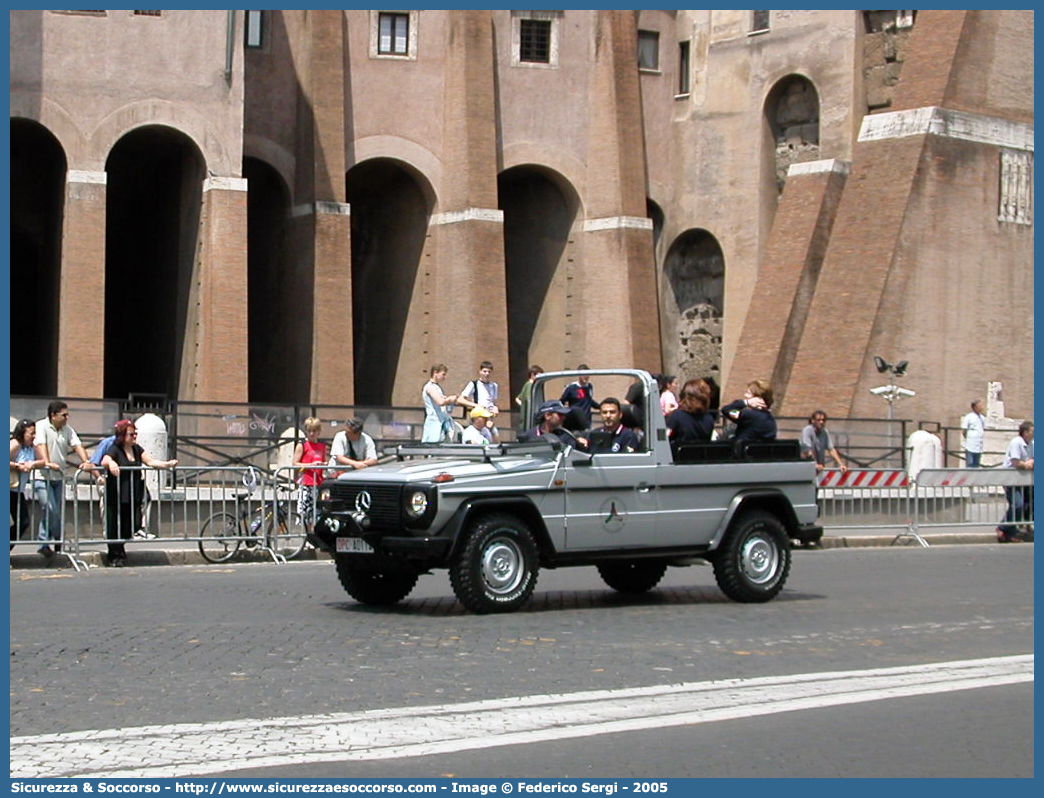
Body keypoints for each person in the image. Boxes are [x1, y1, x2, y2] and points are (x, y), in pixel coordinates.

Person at [100, 419, 177, 567]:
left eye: (135, 434)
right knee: (114, 525)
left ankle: (120, 549)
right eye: (131, 434)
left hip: (132, 492)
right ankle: (115, 555)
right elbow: (105, 460)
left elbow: (150, 461)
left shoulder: (137, 449)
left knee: (131, 524)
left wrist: (166, 465)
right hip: (116, 492)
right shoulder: (115, 448)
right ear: (122, 435)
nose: (134, 436)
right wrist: (112, 463)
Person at [32, 401, 94, 559]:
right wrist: (46, 462)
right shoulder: (41, 426)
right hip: (42, 476)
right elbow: (40, 445)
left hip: (59, 477)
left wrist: (86, 461)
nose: (67, 417)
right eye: (64, 415)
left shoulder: (68, 429)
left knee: (54, 510)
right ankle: (58, 538)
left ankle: (45, 544)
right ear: (53, 415)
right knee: (50, 508)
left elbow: (77, 445)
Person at [996, 420, 1034, 543]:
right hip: (1011, 479)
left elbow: (1033, 458)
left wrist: (1032, 462)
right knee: (1017, 504)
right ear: (1025, 432)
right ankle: (1002, 527)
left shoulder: (1031, 444)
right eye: (1032, 431)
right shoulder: (1016, 442)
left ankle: (1011, 532)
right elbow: (1015, 462)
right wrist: (1026, 464)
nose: (1034, 434)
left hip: (1023, 480)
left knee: (1026, 505)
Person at [10, 419, 44, 551]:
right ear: (22, 433)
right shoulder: (15, 444)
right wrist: (17, 466)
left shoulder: (31, 447)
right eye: (31, 433)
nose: (34, 436)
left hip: (17, 491)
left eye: (35, 433)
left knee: (23, 523)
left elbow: (43, 460)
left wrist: (33, 464)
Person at [293, 417, 327, 535]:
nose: (312, 434)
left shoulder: (322, 446)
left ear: (319, 431)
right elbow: (295, 463)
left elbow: (323, 460)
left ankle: (315, 534)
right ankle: (307, 535)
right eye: (309, 431)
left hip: (318, 482)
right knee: (305, 510)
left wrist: (323, 465)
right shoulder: (302, 444)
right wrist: (310, 465)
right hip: (306, 481)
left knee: (316, 510)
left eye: (314, 431)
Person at [666, 379, 715, 451]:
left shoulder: (677, 415)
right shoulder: (709, 418)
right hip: (701, 458)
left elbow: (665, 438)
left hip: (678, 459)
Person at [421, 364, 459, 442]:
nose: (444, 377)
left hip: (442, 421)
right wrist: (449, 399)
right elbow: (440, 402)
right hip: (434, 421)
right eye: (443, 374)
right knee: (432, 445)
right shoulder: (430, 387)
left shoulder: (437, 387)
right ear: (435, 373)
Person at [514, 365, 544, 431]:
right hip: (527, 420)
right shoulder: (529, 385)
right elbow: (521, 399)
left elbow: (518, 398)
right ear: (532, 375)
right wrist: (524, 407)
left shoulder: (535, 386)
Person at [961, 400, 986, 468]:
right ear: (975, 407)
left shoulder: (982, 418)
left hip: (979, 445)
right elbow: (964, 430)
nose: (982, 407)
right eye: (980, 406)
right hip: (970, 444)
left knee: (976, 464)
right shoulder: (969, 417)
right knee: (970, 463)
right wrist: (969, 438)